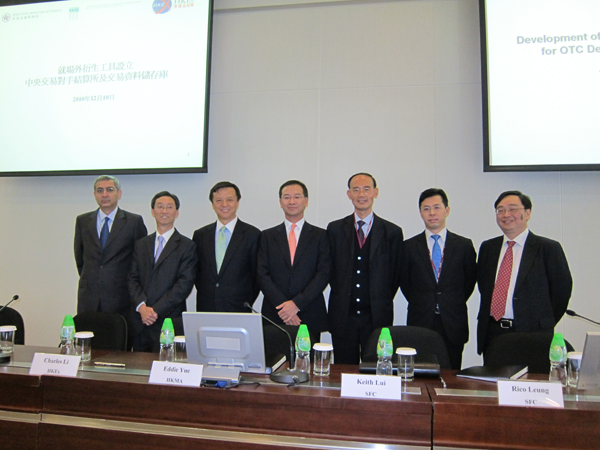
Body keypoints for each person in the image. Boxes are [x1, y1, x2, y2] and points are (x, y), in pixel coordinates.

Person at [477, 190, 573, 354]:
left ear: (527, 213)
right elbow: (483, 287)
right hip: (494, 333)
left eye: (513, 209)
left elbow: (561, 291)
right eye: (500, 210)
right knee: (493, 379)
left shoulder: (547, 248)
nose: (506, 214)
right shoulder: (488, 248)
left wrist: (542, 322)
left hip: (532, 335)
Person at [327, 173, 403, 364]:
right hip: (343, 315)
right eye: (356, 189)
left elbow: (395, 274)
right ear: (349, 194)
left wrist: (379, 297)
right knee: (343, 372)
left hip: (377, 316)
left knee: (377, 370)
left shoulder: (392, 232)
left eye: (367, 189)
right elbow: (329, 269)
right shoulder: (335, 230)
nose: (362, 194)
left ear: (375, 193)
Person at [399, 188, 476, 369]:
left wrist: (447, 300)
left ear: (447, 210)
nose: (431, 213)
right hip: (421, 320)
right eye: (426, 208)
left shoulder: (464, 245)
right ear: (420, 213)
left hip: (453, 322)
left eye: (436, 207)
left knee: (452, 375)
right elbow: (405, 283)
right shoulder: (408, 247)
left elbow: (469, 282)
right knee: (420, 374)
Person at [257, 180, 330, 337]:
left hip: (309, 312)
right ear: (280, 202)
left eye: (297, 197)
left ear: (306, 201)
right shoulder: (267, 236)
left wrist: (297, 304)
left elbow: (323, 273)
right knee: (275, 360)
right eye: (286, 197)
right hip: (275, 313)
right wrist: (284, 309)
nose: (291, 201)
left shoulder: (321, 236)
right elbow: (262, 274)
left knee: (309, 361)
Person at [128, 191, 197, 352]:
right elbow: (132, 278)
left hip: (169, 321)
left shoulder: (187, 246)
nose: (164, 211)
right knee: (138, 373)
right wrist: (142, 307)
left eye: (169, 207)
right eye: (160, 207)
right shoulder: (141, 244)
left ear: (176, 213)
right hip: (140, 321)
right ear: (153, 212)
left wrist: (154, 311)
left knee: (166, 369)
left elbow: (184, 284)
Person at [74, 175, 147, 316]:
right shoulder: (83, 221)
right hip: (89, 297)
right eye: (100, 190)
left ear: (119, 193)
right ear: (95, 194)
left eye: (110, 190)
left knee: (119, 337)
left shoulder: (133, 221)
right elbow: (80, 258)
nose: (105, 194)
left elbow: (141, 260)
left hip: (122, 298)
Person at [193, 181, 261, 312]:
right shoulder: (200, 235)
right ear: (212, 204)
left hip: (239, 307)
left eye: (229, 200)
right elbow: (197, 273)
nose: (224, 204)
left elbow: (256, 275)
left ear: (237, 202)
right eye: (218, 200)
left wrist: (246, 299)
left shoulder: (252, 235)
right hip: (207, 306)